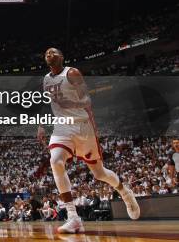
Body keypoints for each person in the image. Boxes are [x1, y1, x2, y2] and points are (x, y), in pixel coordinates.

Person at [37, 48, 140, 233]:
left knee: (99, 174)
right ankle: (73, 217)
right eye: (46, 53)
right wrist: (42, 125)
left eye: (53, 52)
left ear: (61, 57)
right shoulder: (45, 79)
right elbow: (47, 103)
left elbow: (87, 99)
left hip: (82, 125)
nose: (49, 54)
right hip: (62, 127)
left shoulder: (72, 73)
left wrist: (73, 104)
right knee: (55, 161)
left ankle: (125, 192)